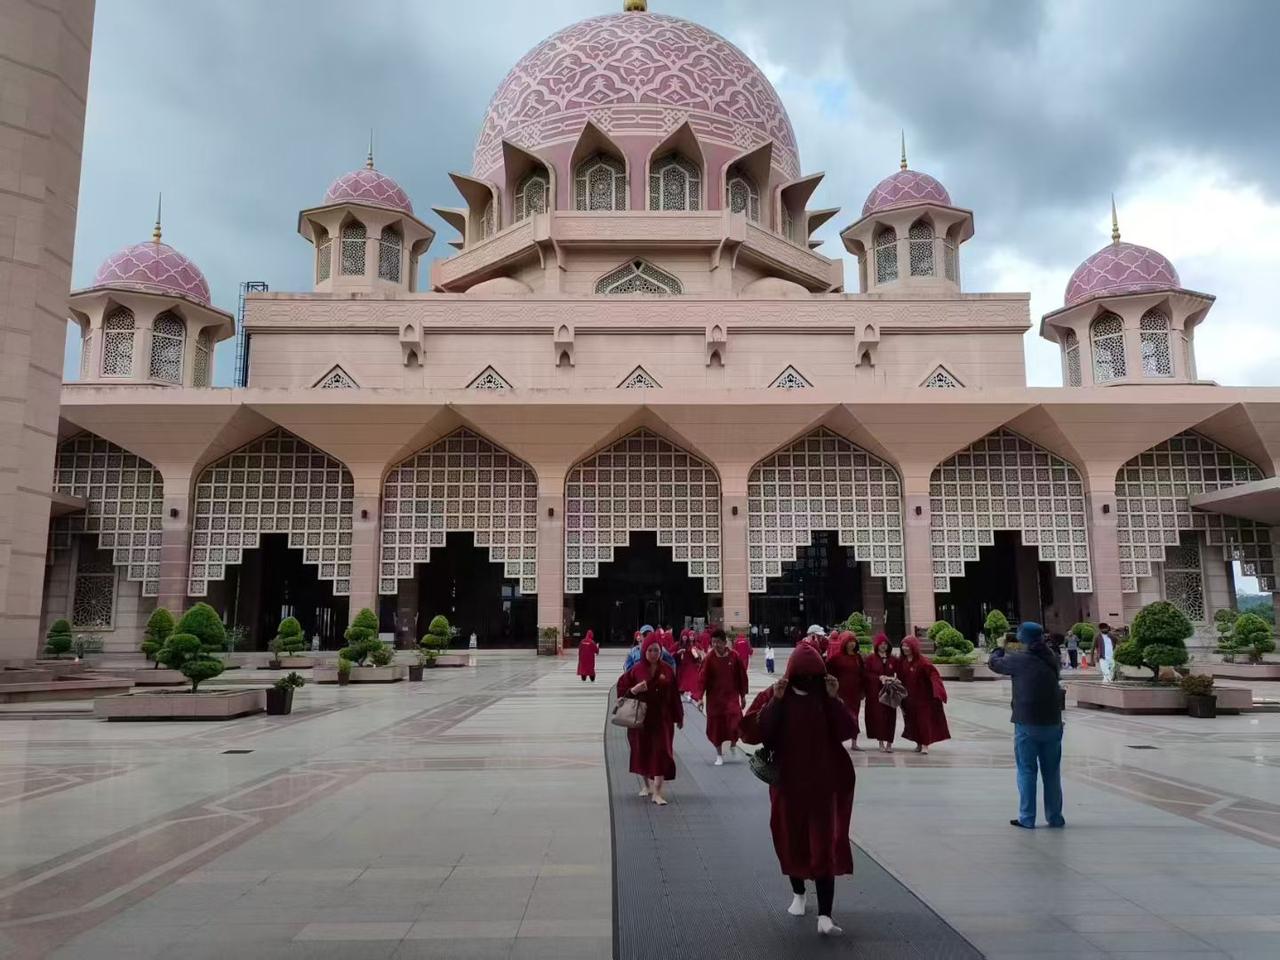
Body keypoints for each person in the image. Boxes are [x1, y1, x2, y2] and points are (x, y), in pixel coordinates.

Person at [741, 643, 856, 937]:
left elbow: (847, 730)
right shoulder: (776, 694)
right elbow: (755, 732)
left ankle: (825, 914)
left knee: (823, 845)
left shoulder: (825, 697)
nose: (808, 681)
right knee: (789, 839)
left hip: (822, 784)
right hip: (787, 785)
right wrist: (776, 702)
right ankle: (798, 893)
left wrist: (833, 700)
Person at [987, 621, 1066, 829]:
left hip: (1027, 722)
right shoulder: (1052, 658)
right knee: (1052, 773)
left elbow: (995, 664)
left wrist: (998, 648)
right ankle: (1055, 817)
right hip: (1053, 722)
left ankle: (1027, 817)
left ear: (1023, 638)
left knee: (1027, 771)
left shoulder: (1020, 660)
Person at [617, 634, 684, 805]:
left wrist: (679, 716)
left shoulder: (667, 670)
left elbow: (674, 694)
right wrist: (634, 690)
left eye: (657, 650)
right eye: (650, 650)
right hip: (641, 720)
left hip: (662, 719)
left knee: (661, 753)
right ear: (644, 651)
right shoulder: (636, 670)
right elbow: (622, 691)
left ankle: (658, 792)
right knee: (643, 751)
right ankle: (646, 785)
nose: (654, 653)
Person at [700, 627, 748, 765]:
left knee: (736, 720)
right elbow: (703, 678)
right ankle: (719, 755)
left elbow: (741, 677)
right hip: (715, 699)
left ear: (724, 642)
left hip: (731, 697)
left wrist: (743, 695)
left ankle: (733, 745)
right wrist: (699, 698)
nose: (715, 645)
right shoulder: (709, 658)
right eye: (713, 642)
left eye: (718, 642)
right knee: (717, 726)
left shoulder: (734, 656)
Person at [899, 636, 950, 754]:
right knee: (912, 721)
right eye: (903, 646)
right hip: (909, 698)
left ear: (914, 647)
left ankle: (925, 745)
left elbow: (934, 676)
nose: (905, 648)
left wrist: (938, 691)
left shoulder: (923, 662)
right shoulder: (903, 662)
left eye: (907, 646)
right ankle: (918, 743)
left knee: (923, 721)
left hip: (923, 699)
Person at [826, 630, 865, 751]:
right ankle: (839, 741)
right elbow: (827, 669)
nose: (852, 644)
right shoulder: (837, 658)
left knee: (855, 716)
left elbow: (863, 674)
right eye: (849, 641)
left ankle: (854, 742)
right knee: (841, 716)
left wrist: (863, 691)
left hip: (855, 692)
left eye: (853, 641)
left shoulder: (858, 657)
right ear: (844, 643)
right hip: (841, 691)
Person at [863, 634, 899, 752]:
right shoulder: (871, 659)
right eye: (881, 644)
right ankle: (881, 742)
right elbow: (866, 674)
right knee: (878, 717)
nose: (883, 646)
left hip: (890, 693)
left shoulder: (893, 659)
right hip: (876, 693)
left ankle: (889, 743)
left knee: (890, 717)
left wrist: (893, 679)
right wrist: (879, 678)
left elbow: (899, 673)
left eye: (885, 644)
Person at [675, 631, 704, 702]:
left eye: (693, 636)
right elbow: (678, 653)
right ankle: (686, 694)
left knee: (693, 681)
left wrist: (698, 653)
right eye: (690, 636)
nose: (691, 637)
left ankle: (692, 695)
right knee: (686, 682)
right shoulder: (683, 644)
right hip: (685, 665)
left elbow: (701, 654)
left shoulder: (696, 645)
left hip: (693, 665)